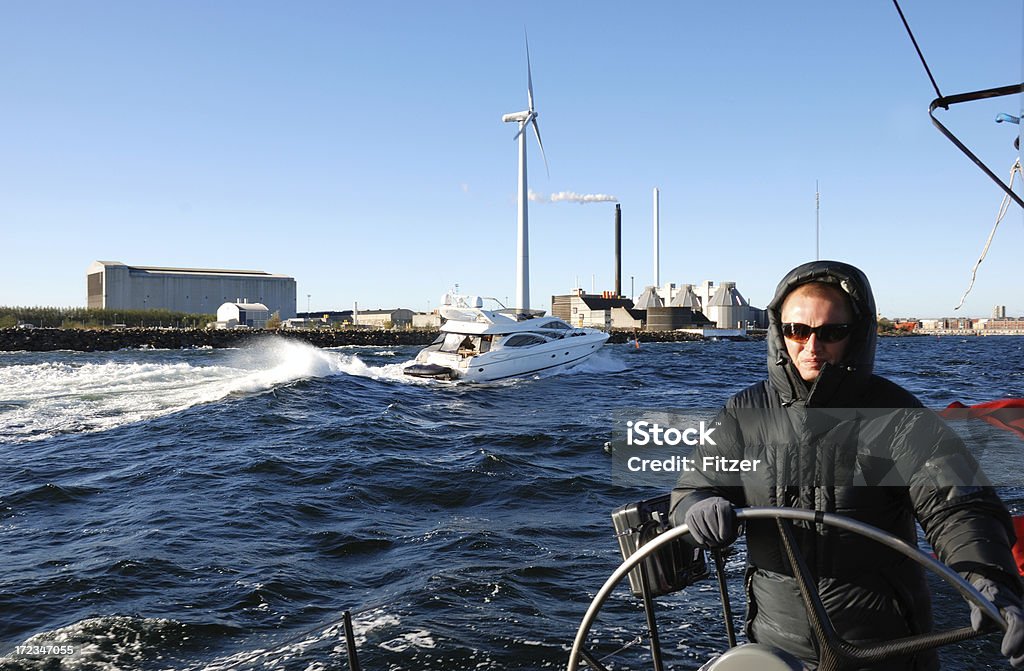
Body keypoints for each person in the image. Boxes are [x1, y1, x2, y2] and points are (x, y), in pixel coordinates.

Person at [669, 260, 1024, 669]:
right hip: (774, 650)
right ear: (779, 333)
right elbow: (694, 486)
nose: (812, 346)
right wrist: (697, 506)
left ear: (855, 334)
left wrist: (988, 582)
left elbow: (956, 507)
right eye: (797, 331)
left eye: (831, 332)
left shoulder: (897, 416)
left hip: (887, 651)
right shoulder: (742, 413)